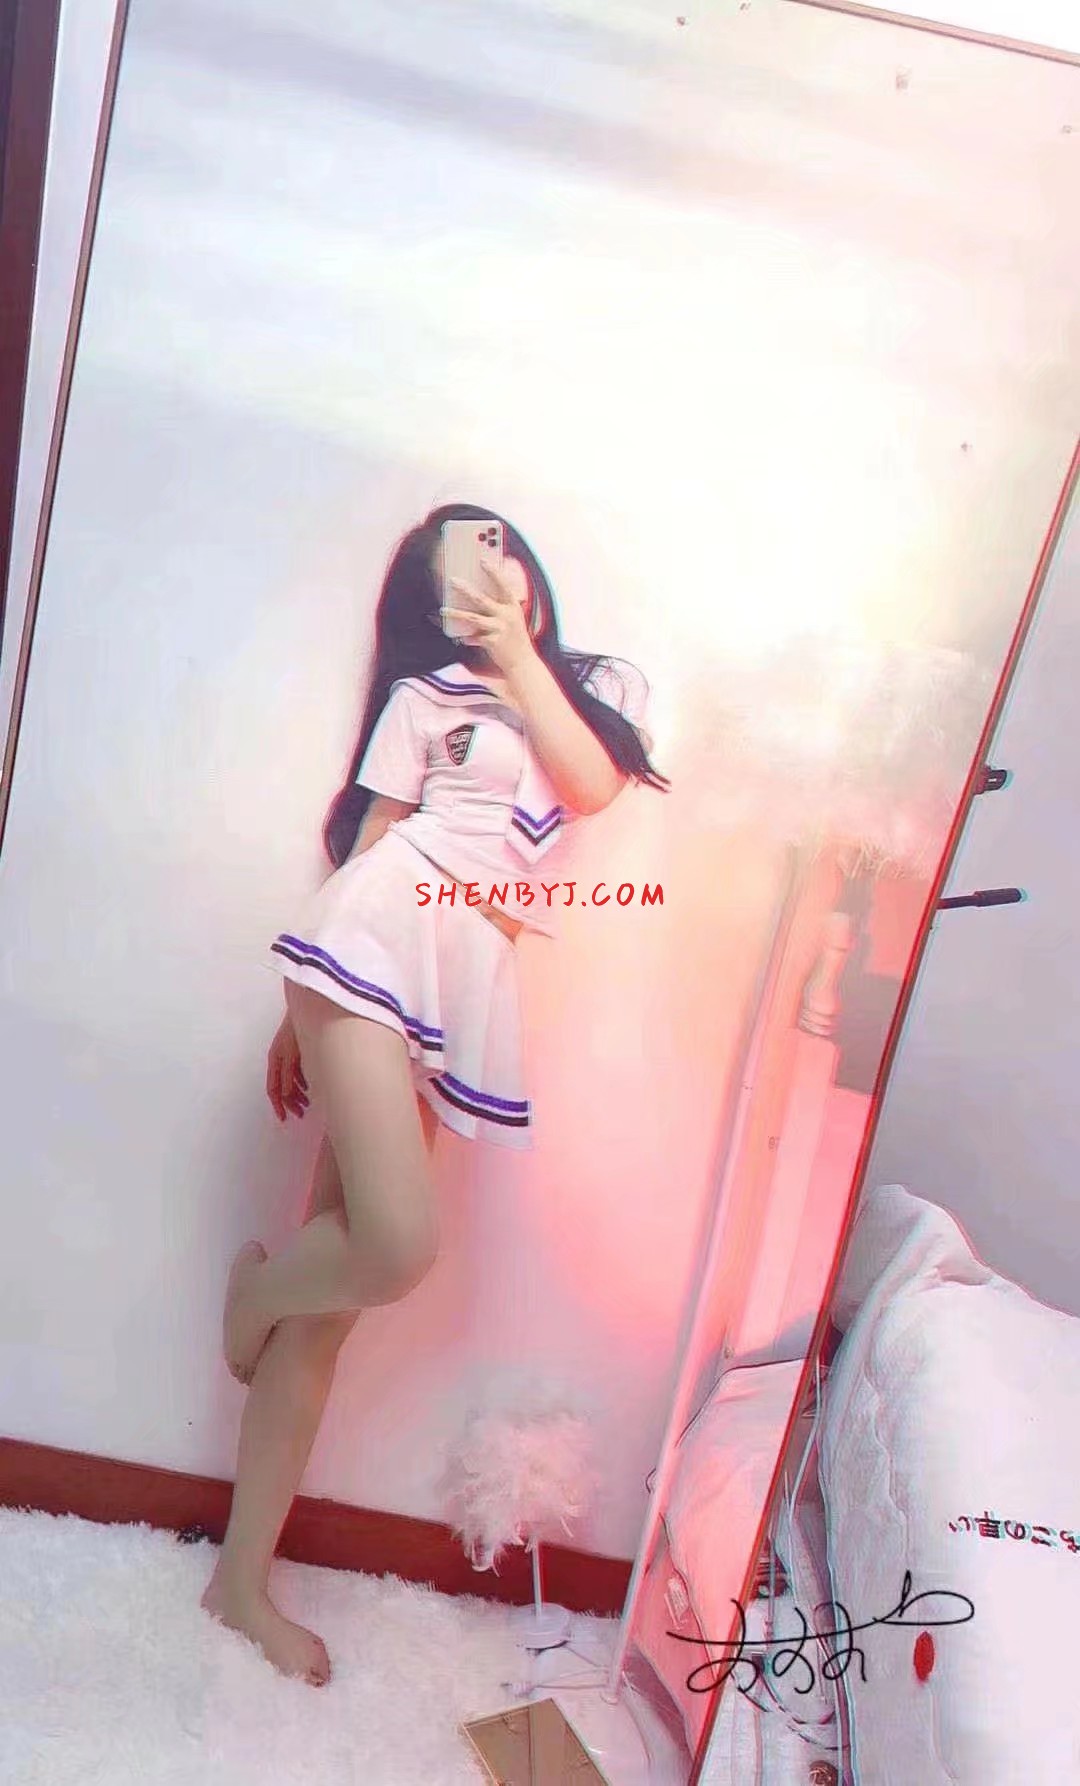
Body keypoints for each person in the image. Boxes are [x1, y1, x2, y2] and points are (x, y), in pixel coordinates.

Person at [200, 503, 667, 1684]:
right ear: (433, 601)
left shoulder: (597, 691)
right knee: (396, 1246)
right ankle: (256, 1295)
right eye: (465, 560)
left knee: (339, 1297)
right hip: (367, 946)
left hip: (463, 981)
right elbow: (375, 843)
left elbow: (591, 788)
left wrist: (516, 652)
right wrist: (297, 1011)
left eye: (501, 542)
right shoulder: (424, 699)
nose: (493, 566)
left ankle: (237, 1581)